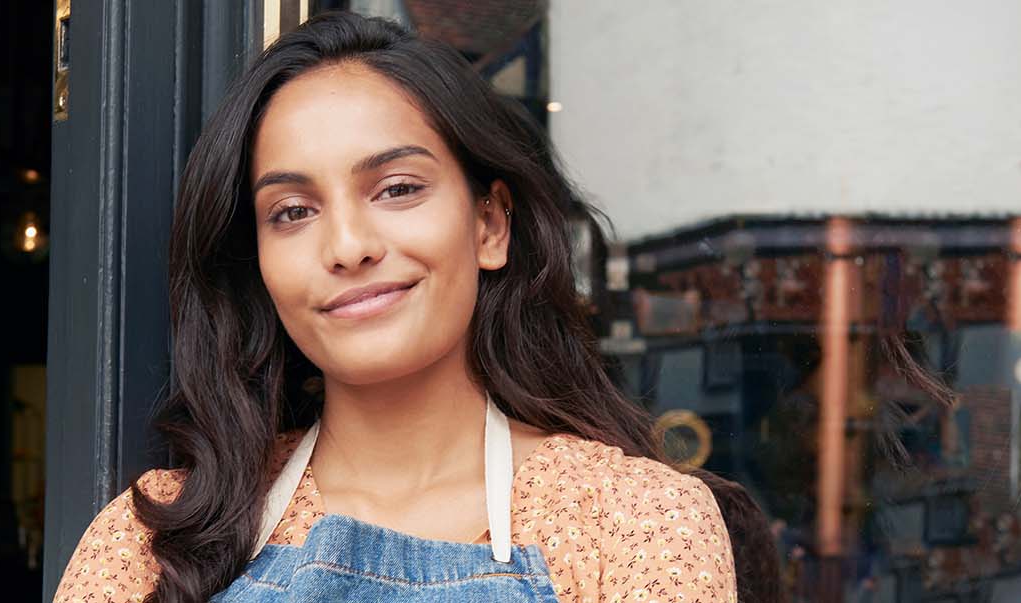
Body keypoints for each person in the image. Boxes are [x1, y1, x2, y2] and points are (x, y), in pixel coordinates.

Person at [54, 12, 781, 603]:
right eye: (293, 210)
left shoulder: (634, 520)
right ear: (259, 265)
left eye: (397, 188)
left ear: (490, 225)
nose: (348, 245)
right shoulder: (150, 538)